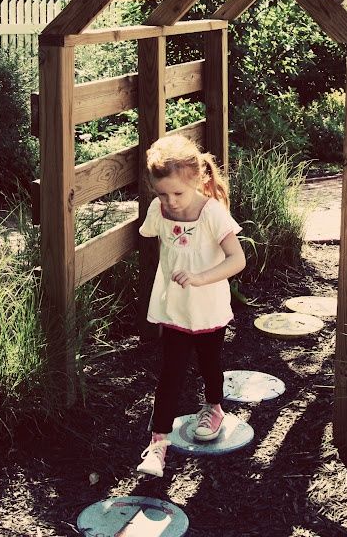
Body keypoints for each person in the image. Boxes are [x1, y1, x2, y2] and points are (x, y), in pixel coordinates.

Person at [136, 134, 246, 477]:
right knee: (170, 372)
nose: (171, 201)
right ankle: (158, 445)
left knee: (209, 364)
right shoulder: (160, 210)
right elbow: (149, 234)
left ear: (199, 180)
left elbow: (237, 260)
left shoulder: (212, 213)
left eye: (178, 193)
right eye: (162, 193)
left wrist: (200, 277)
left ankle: (214, 407)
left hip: (209, 307)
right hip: (175, 309)